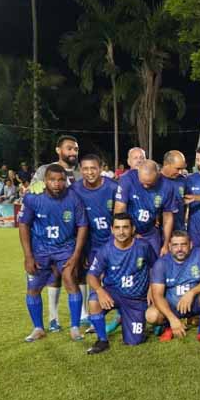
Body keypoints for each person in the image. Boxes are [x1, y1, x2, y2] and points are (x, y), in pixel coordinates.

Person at [17, 165, 88, 343]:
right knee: (33, 289)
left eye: (61, 180)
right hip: (40, 250)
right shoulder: (33, 198)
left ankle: (74, 328)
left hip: (65, 249)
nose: (57, 184)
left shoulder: (74, 198)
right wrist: (28, 256)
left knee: (71, 282)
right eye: (52, 180)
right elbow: (24, 225)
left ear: (66, 181)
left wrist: (75, 255)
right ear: (45, 181)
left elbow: (82, 226)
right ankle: (38, 328)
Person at [29, 135, 83, 331]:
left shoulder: (79, 174)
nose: (73, 153)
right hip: (46, 238)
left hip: (71, 235)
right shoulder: (45, 170)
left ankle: (80, 317)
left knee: (74, 275)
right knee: (52, 276)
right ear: (58, 150)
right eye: (69, 148)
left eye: (76, 149)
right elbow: (32, 196)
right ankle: (53, 318)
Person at [84, 213, 157, 355]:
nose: (121, 232)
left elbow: (156, 266)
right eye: (117, 227)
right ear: (112, 229)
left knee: (134, 342)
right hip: (114, 294)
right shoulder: (105, 250)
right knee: (94, 300)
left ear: (133, 229)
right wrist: (100, 291)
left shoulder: (143, 247)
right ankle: (102, 340)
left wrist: (151, 286)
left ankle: (127, 318)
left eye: (125, 227)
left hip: (136, 299)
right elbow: (92, 275)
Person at [71, 154, 121, 331]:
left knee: (117, 280)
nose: (89, 172)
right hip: (91, 246)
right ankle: (96, 319)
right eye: (85, 168)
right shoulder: (74, 190)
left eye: (93, 168)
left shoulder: (114, 187)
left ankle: (122, 315)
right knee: (95, 281)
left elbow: (123, 215)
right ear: (80, 170)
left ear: (101, 169)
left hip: (114, 243)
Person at [144, 231, 200, 346]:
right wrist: (172, 319)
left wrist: (192, 293)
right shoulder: (161, 263)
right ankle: (168, 326)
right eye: (175, 245)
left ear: (191, 244)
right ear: (169, 246)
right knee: (151, 315)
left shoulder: (199, 254)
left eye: (183, 244)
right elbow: (157, 295)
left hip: (194, 302)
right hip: (172, 306)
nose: (179, 249)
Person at [113, 160, 177, 256]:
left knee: (155, 262)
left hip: (150, 232)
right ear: (138, 172)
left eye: (149, 183)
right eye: (143, 182)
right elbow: (119, 209)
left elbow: (168, 216)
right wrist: (130, 234)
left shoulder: (167, 186)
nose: (145, 186)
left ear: (158, 175)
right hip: (128, 231)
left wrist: (166, 244)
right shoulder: (127, 179)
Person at [161, 150, 188, 231]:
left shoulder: (182, 180)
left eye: (182, 169)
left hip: (179, 230)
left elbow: (185, 203)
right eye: (177, 168)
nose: (180, 172)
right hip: (159, 232)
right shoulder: (155, 181)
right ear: (166, 164)